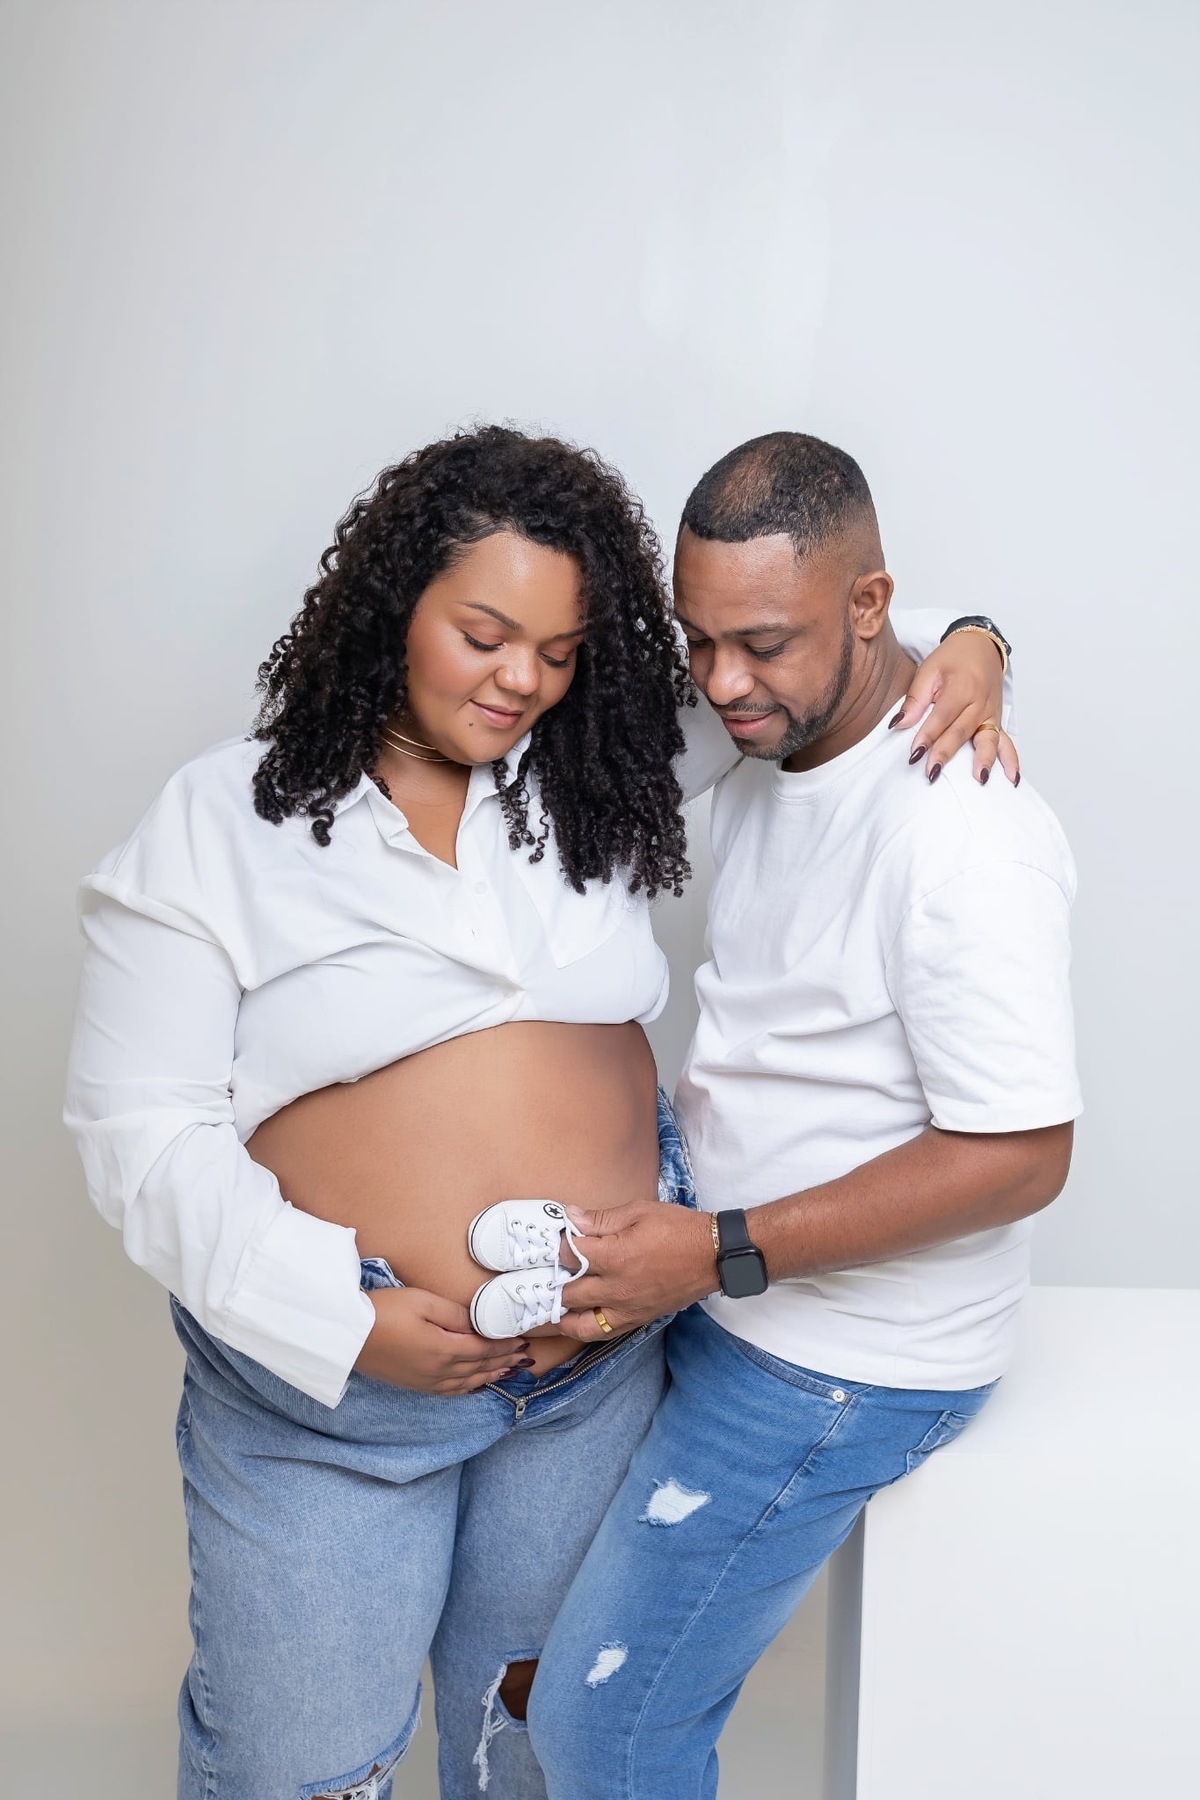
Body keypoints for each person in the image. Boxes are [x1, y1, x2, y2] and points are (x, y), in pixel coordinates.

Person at [64, 424, 1011, 1800]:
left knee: (535, 1759)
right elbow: (137, 1132)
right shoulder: (222, 821)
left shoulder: (591, 769)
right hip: (332, 1401)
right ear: (396, 605)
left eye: (560, 651)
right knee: (299, 1772)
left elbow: (795, 641)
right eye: (485, 634)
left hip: (590, 1375)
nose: (522, 681)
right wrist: (344, 1319)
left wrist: (974, 640)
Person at [527, 432, 1081, 1800]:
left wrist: (713, 1250)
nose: (722, 684)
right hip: (718, 1292)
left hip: (841, 1358)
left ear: (870, 607)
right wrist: (983, 631)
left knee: (606, 1728)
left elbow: (1021, 1155)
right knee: (524, 1653)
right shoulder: (772, 728)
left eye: (760, 643)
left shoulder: (963, 832)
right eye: (698, 639)